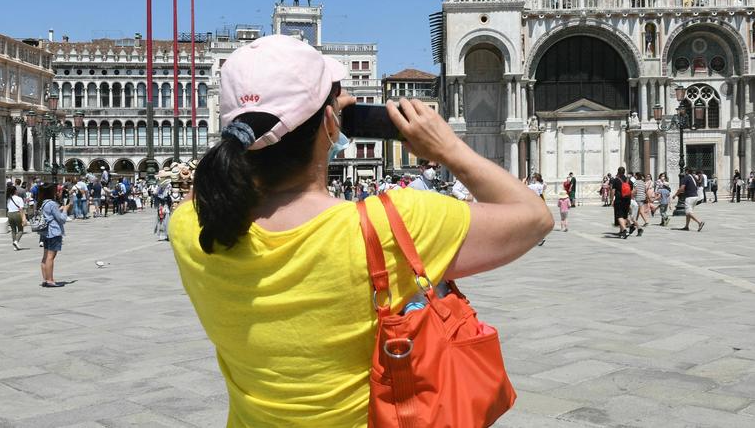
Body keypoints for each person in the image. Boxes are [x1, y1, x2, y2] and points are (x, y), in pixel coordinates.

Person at [169, 34, 552, 426]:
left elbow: (216, 179)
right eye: (336, 97)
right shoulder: (390, 224)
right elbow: (533, 216)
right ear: (331, 123)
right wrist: (447, 148)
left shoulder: (191, 226)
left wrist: (320, 115)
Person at [36, 184, 69, 287]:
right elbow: (61, 219)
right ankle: (50, 280)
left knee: (45, 256)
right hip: (54, 231)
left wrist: (58, 210)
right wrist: (65, 210)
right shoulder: (52, 203)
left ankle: (45, 279)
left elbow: (49, 215)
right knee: (51, 257)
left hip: (45, 232)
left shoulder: (43, 203)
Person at [611, 168, 632, 239]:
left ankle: (625, 230)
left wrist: (612, 199)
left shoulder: (616, 180)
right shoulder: (628, 180)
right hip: (627, 199)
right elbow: (632, 190)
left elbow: (613, 191)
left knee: (619, 216)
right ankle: (622, 231)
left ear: (618, 172)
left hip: (619, 199)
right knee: (624, 216)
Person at [6, 183, 26, 250]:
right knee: (20, 229)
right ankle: (16, 241)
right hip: (17, 214)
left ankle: (15, 245)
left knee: (13, 230)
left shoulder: (8, 199)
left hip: (9, 214)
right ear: (15, 191)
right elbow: (21, 209)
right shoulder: (19, 198)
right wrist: (23, 218)